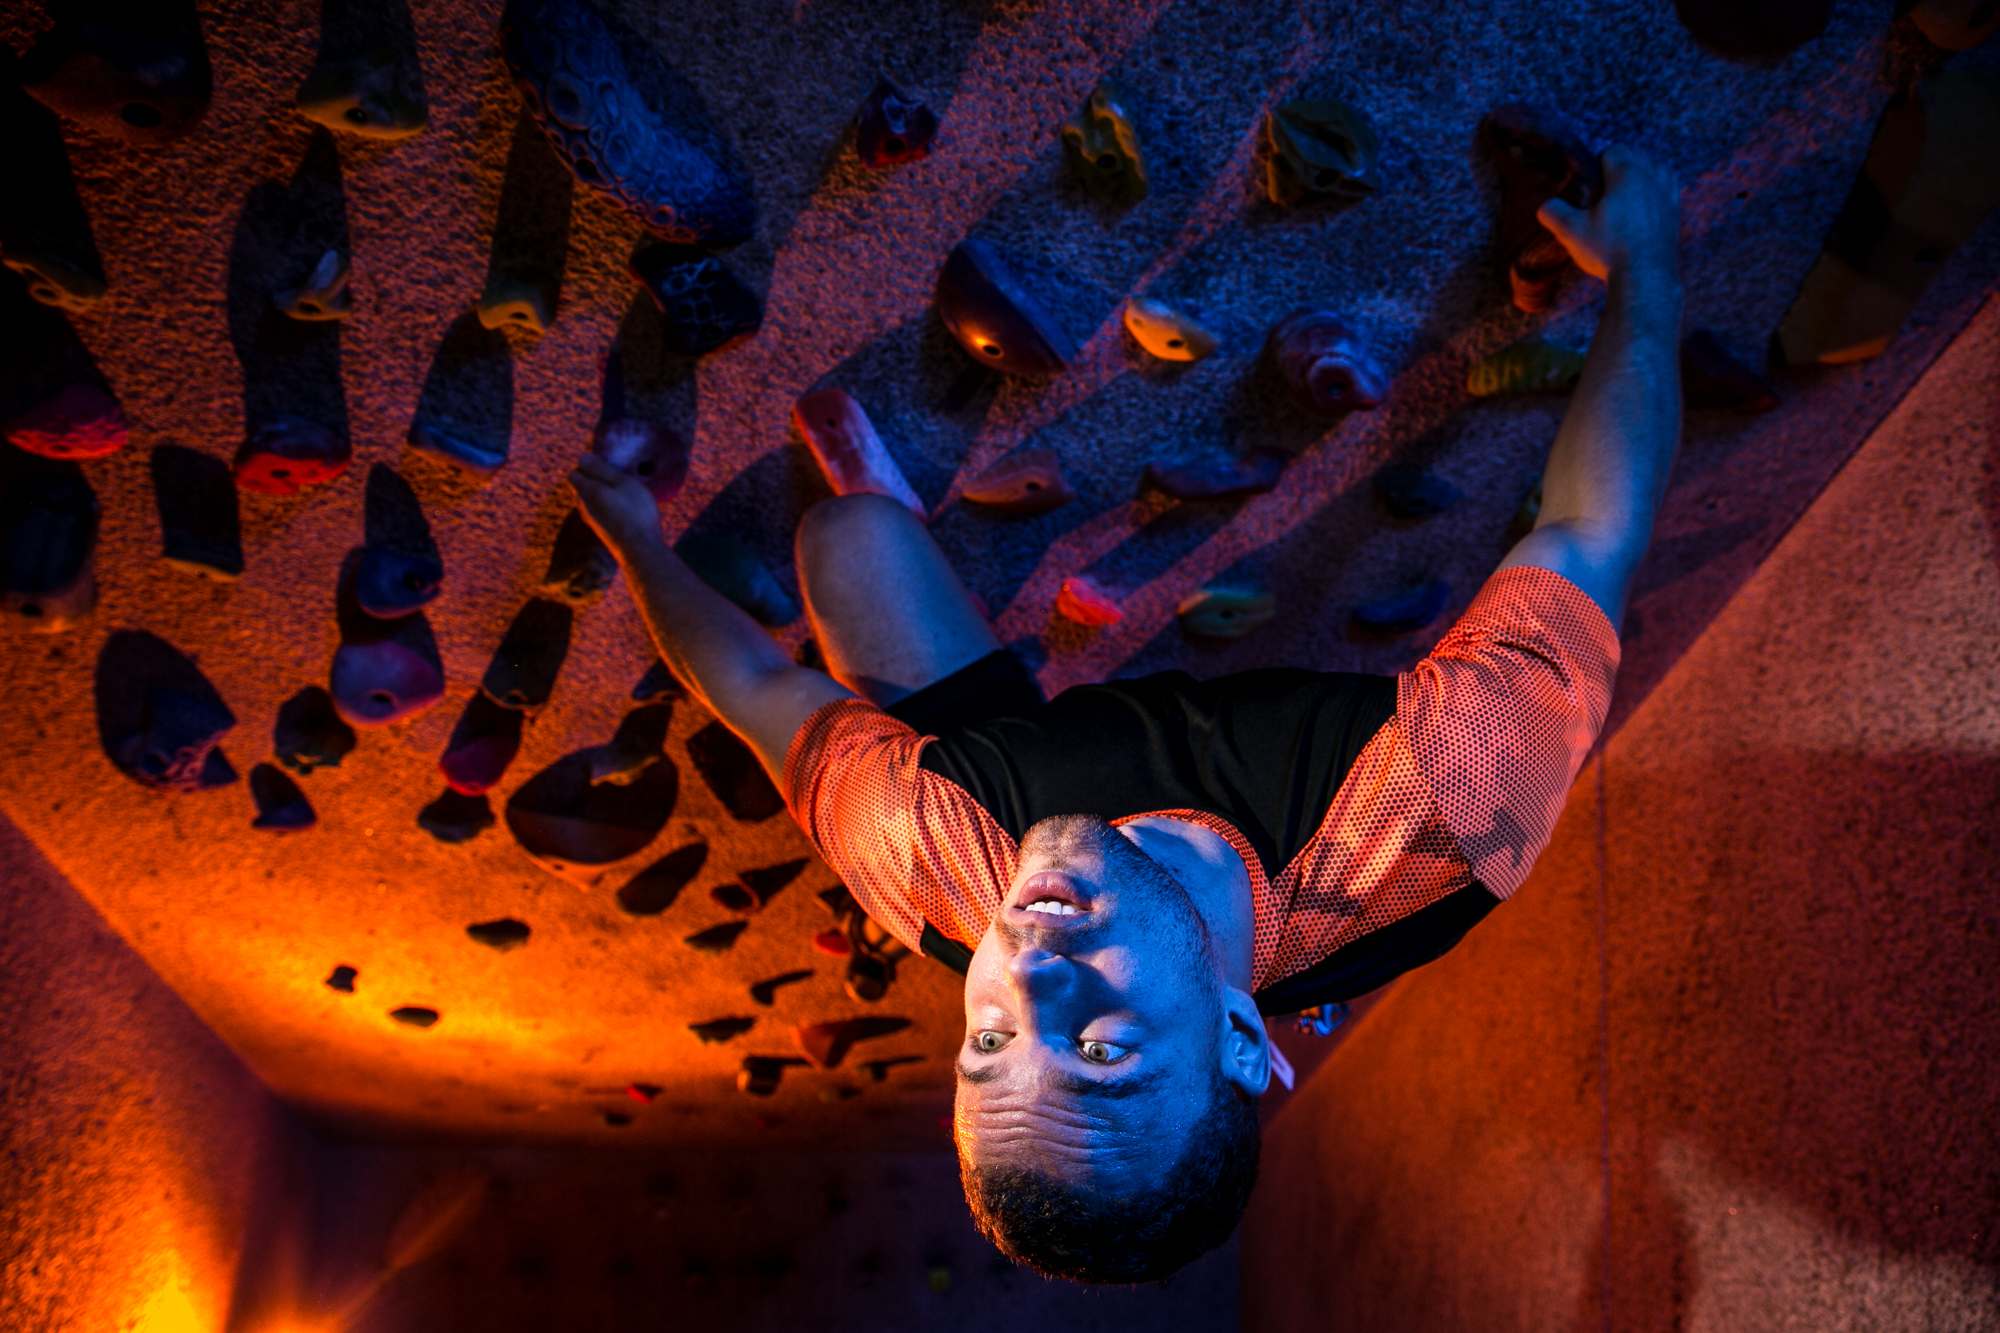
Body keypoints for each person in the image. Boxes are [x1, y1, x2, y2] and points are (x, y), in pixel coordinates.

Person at [571, 145, 1682, 1284]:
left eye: (990, 1043)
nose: (1031, 966)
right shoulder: (1445, 802)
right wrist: (1644, 264)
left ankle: (901, 542)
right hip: (1305, 850)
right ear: (1242, 1035)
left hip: (1014, 766)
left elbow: (750, 689)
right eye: (1101, 1045)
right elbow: (1594, 526)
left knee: (841, 542)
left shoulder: (940, 862)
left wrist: (631, 534)